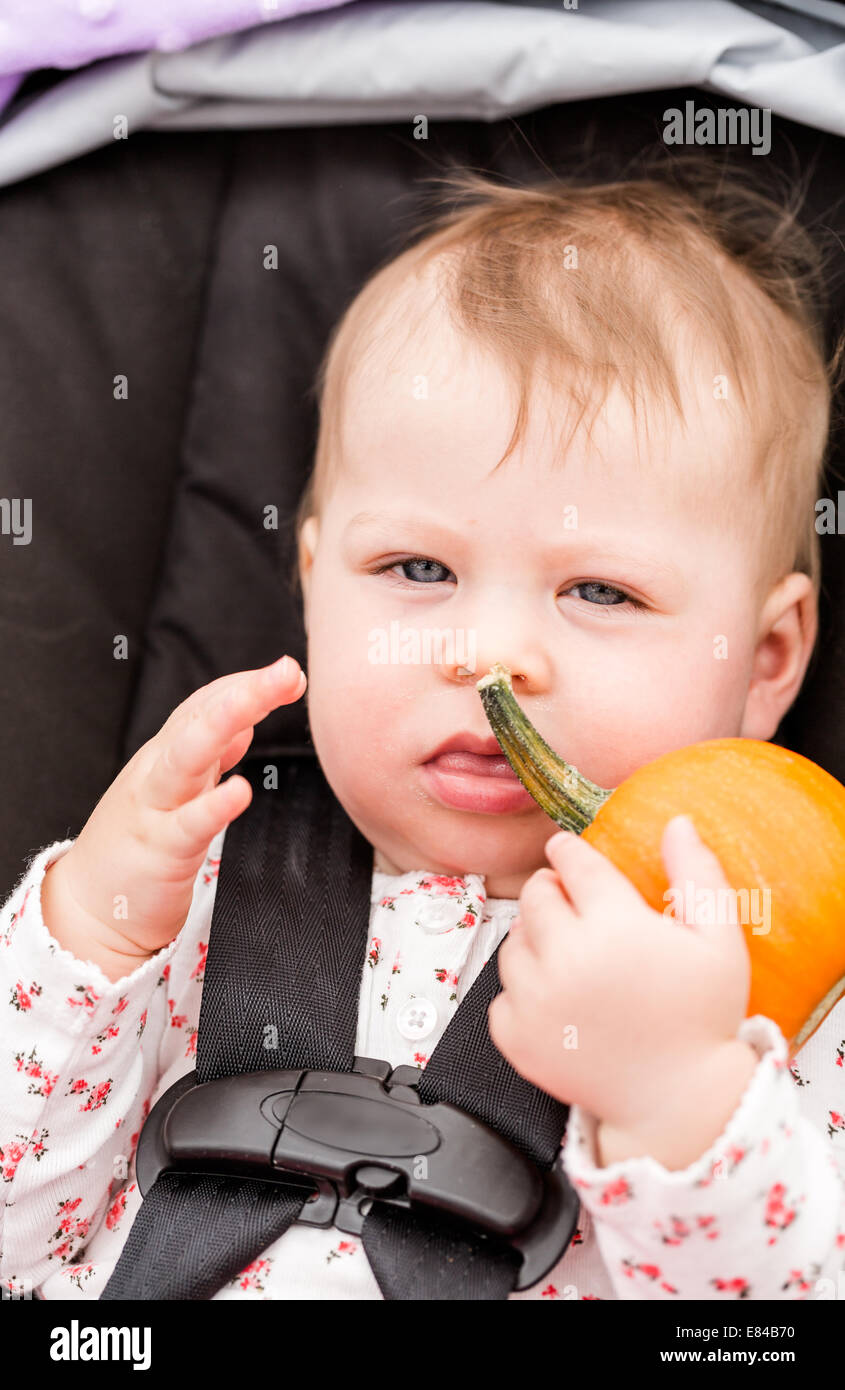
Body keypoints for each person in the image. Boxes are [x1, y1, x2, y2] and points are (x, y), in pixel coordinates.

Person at [2, 164, 843, 1301]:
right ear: (310, 586)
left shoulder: (772, 976)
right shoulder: (181, 901)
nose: (487, 655)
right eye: (416, 568)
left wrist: (677, 1100)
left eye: (599, 590)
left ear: (763, 660)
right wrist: (79, 946)